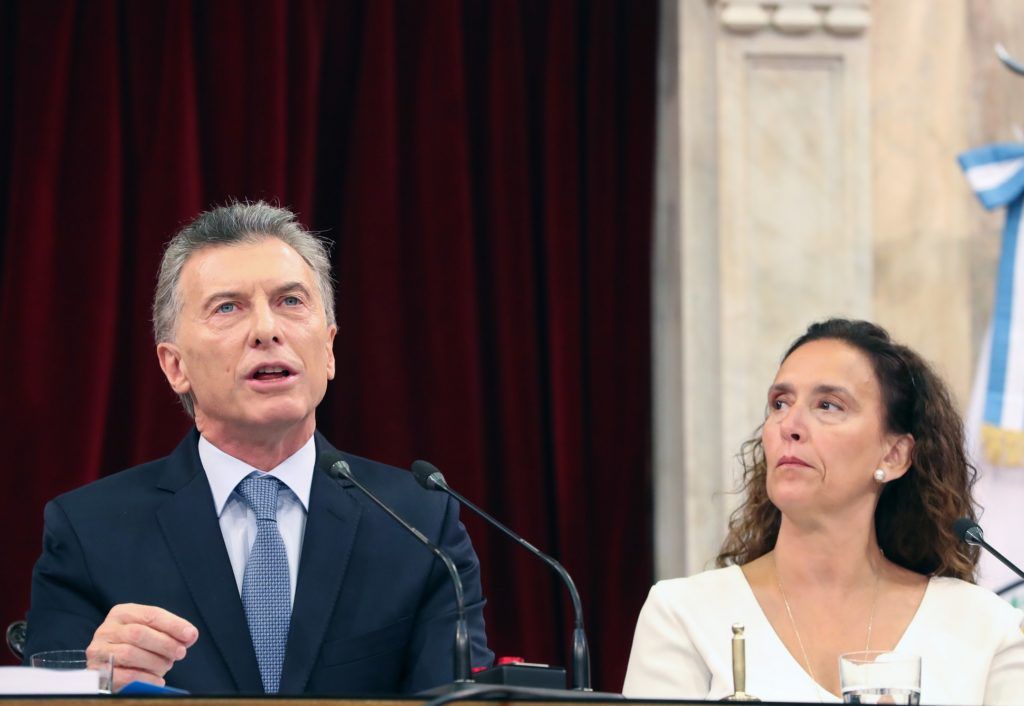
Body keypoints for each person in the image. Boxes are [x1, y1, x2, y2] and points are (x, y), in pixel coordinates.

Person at [25, 201, 492, 694]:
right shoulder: (88, 531)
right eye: (228, 307)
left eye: (291, 301)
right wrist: (92, 685)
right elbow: (46, 696)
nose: (267, 330)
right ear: (174, 366)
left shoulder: (420, 523)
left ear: (329, 349)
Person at [623, 318, 1024, 704]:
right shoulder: (684, 615)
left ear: (895, 454)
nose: (790, 425)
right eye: (780, 403)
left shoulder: (984, 627)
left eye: (829, 405)